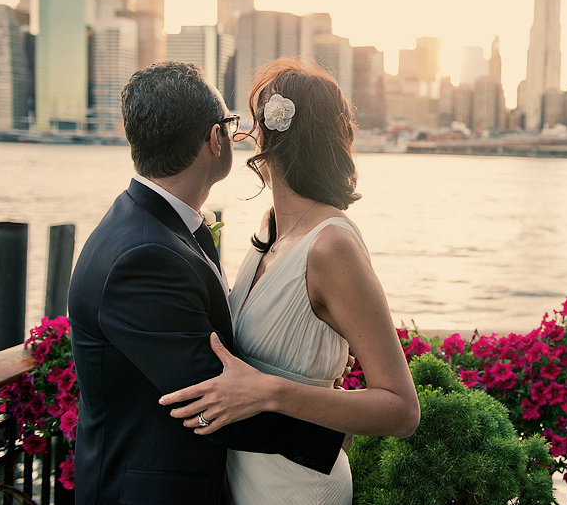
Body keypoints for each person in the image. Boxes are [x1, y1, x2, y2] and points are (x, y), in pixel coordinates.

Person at [68, 61, 345, 505]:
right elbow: (209, 400)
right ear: (215, 140)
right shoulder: (144, 255)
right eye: (230, 125)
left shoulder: (158, 228)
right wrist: (334, 430)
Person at [159, 57, 420, 504]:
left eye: (253, 122)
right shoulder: (268, 232)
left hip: (299, 487)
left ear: (270, 136)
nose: (243, 134)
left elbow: (400, 409)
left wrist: (272, 392)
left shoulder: (330, 246)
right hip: (242, 479)